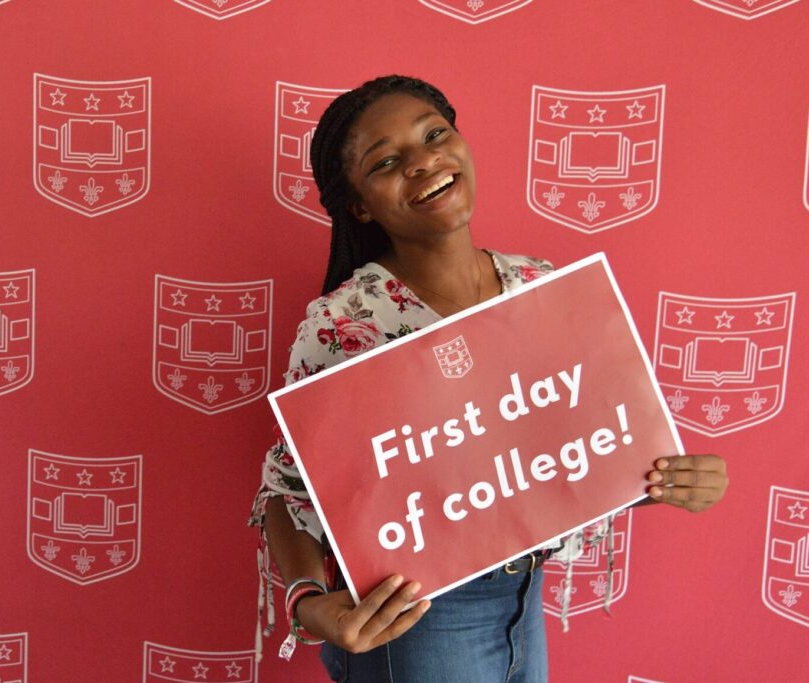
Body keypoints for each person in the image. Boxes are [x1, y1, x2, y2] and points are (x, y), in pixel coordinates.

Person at [250, 75, 728, 682]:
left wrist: (670, 475)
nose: (424, 162)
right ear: (360, 205)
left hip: (527, 599)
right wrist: (308, 604)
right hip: (420, 616)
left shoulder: (542, 286)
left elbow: (572, 443)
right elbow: (286, 490)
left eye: (435, 135)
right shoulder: (349, 324)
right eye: (389, 160)